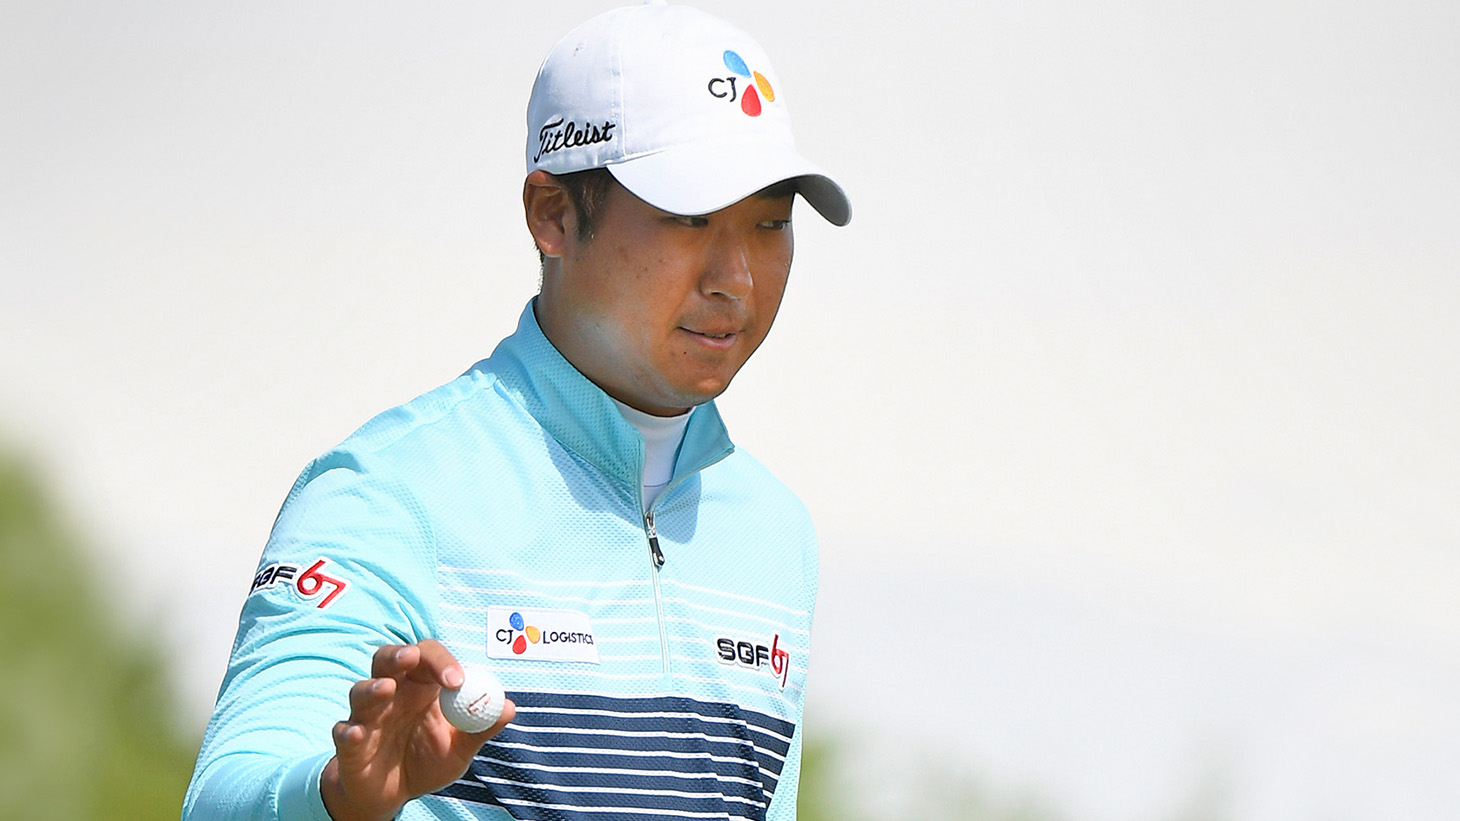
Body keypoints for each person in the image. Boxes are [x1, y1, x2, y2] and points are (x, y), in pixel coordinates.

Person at [182, 2, 850, 819]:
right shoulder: (387, 492)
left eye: (770, 223)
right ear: (552, 215)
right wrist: (336, 795)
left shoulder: (775, 534)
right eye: (689, 219)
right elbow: (222, 794)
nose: (735, 278)